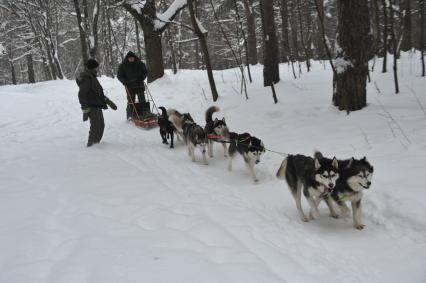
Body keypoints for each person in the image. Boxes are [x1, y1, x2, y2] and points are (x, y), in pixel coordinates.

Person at [77, 58, 117, 147]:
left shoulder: (92, 77)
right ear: (93, 68)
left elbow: (97, 91)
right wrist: (85, 108)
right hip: (92, 106)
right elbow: (82, 94)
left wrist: (107, 100)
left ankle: (96, 144)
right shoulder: (87, 78)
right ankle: (91, 146)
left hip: (97, 105)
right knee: (96, 126)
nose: (97, 69)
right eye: (96, 67)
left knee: (101, 125)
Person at [117, 51, 148, 120]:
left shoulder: (140, 63)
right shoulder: (123, 65)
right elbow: (119, 75)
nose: (131, 59)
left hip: (139, 84)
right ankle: (130, 114)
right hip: (129, 86)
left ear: (134, 57)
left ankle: (144, 112)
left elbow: (145, 72)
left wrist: (142, 77)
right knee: (131, 100)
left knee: (142, 99)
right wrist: (124, 81)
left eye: (132, 58)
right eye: (130, 58)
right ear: (127, 58)